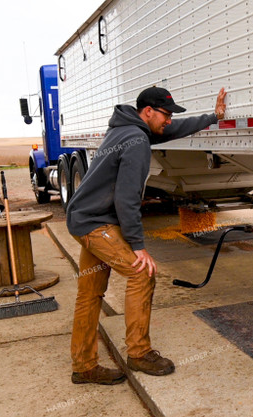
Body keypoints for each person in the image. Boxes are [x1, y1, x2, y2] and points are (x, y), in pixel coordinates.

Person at [66, 86, 226, 385]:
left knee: (90, 293)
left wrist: (211, 118)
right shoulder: (137, 139)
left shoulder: (126, 128)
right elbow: (126, 198)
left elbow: (174, 128)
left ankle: (84, 365)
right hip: (97, 224)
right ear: (148, 112)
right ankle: (139, 353)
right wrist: (138, 246)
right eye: (165, 114)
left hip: (84, 218)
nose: (168, 120)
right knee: (142, 273)